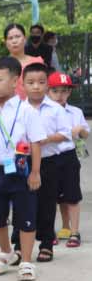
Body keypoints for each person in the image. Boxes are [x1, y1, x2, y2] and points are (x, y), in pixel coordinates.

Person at [0, 57, 46, 281]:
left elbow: (36, 143)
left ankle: (25, 260)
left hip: (21, 167)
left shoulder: (27, 110)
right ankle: (6, 252)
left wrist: (35, 172)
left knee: (25, 214)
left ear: (15, 80)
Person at [11, 63, 71, 263]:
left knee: (46, 203)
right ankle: (19, 246)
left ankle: (46, 244)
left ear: (47, 85)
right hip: (23, 161)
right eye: (31, 82)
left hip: (48, 162)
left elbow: (66, 133)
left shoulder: (55, 109)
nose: (36, 86)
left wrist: (45, 139)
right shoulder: (17, 108)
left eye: (41, 82)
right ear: (22, 85)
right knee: (21, 203)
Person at [48, 72, 88, 247]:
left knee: (71, 195)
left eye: (64, 91)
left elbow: (85, 134)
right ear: (48, 91)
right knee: (50, 197)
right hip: (49, 157)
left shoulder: (75, 112)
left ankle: (74, 231)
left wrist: (80, 130)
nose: (60, 95)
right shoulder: (43, 112)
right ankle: (49, 231)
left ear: (69, 93)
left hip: (69, 157)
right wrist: (64, 134)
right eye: (55, 91)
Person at [4, 23, 45, 100]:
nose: (14, 41)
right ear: (6, 42)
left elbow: (45, 88)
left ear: (24, 39)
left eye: (17, 37)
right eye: (10, 38)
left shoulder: (37, 61)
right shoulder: (2, 66)